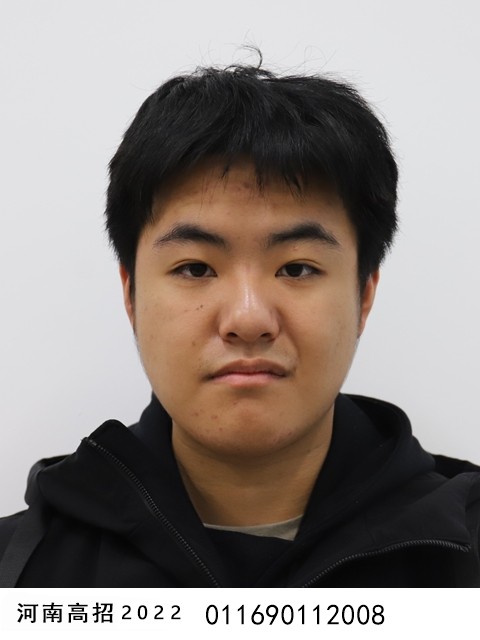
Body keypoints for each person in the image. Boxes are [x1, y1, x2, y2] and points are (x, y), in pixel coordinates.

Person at [1, 60, 479, 588]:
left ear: (363, 294)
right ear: (131, 294)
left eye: (296, 268)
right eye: (195, 269)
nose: (248, 319)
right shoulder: (21, 572)